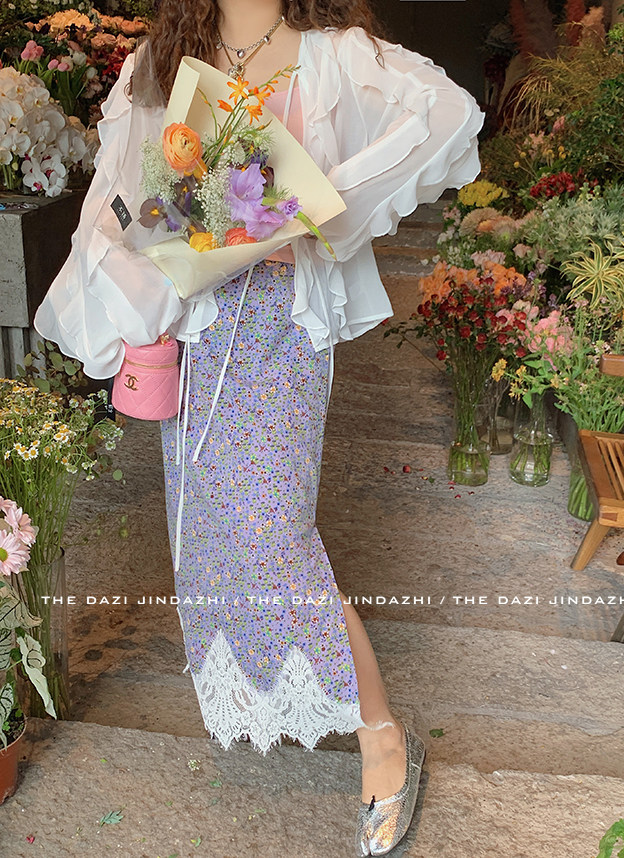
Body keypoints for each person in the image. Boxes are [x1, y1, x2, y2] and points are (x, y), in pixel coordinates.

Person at [34, 1, 485, 854]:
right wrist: (146, 269)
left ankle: (383, 735)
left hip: (280, 329)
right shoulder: (159, 60)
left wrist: (319, 210)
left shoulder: (335, 53)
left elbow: (448, 114)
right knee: (212, 533)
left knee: (273, 535)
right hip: (197, 333)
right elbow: (121, 202)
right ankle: (301, 697)